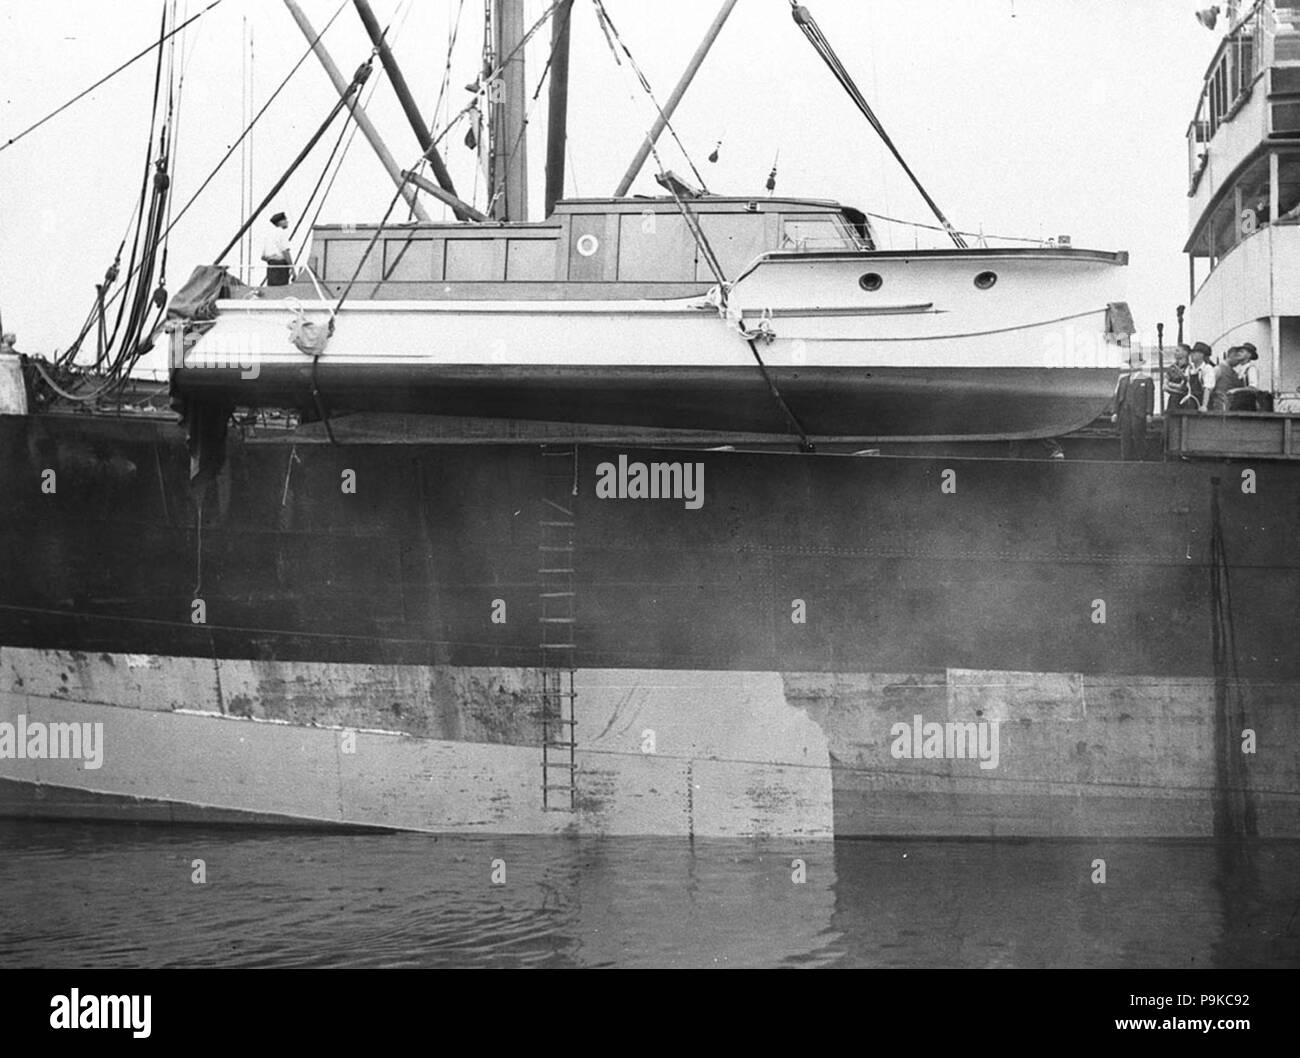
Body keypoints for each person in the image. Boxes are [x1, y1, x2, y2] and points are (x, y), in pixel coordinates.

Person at [1112, 358, 1154, 460]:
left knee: (1139, 435)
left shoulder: (1146, 379)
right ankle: (1126, 459)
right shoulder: (1123, 380)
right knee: (1125, 436)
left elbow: (1150, 398)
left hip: (1139, 413)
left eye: (1137, 362)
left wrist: (1149, 413)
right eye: (1132, 363)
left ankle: (1142, 458)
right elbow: (1118, 398)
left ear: (1141, 364)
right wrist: (1115, 412)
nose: (1134, 365)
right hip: (1125, 412)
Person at [1208, 347, 1245, 411]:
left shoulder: (1234, 373)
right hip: (1219, 407)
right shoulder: (1218, 369)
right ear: (1232, 355)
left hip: (1231, 407)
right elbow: (1209, 389)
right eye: (1238, 358)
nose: (1239, 362)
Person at [261, 211, 293, 287]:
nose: (287, 221)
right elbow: (285, 251)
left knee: (272, 289)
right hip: (280, 266)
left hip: (271, 266)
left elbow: (263, 257)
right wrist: (292, 268)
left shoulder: (269, 235)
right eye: (285, 220)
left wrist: (272, 259)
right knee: (281, 288)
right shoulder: (282, 233)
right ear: (280, 222)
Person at [1164, 344, 1191, 413]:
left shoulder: (1190, 368)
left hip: (1186, 402)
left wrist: (1170, 384)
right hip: (1173, 402)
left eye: (1177, 351)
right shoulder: (1171, 368)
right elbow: (1164, 387)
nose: (1175, 353)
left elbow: (1184, 387)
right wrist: (1179, 389)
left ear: (1185, 353)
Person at [1188, 343, 1214, 412]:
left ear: (1201, 355)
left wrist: (1204, 405)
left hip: (1202, 405)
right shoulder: (1190, 369)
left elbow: (1207, 389)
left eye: (1194, 353)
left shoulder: (1207, 369)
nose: (1191, 355)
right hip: (1191, 404)